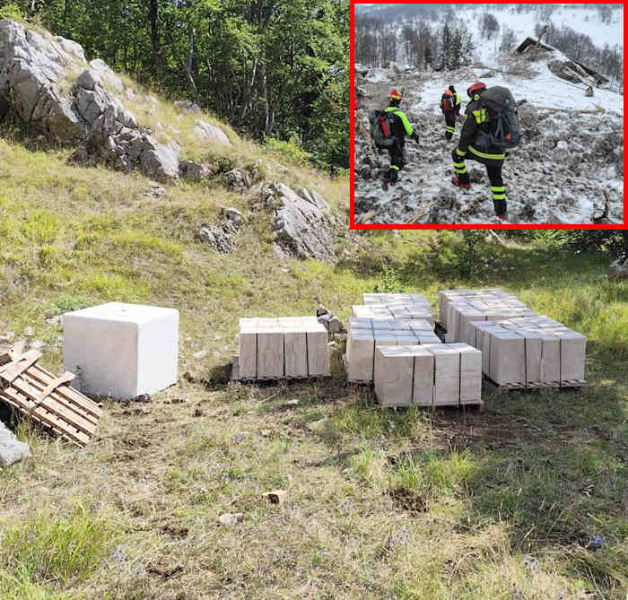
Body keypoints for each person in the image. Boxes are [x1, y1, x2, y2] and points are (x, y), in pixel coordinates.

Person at [451, 82, 509, 221]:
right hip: (497, 153)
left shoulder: (474, 107)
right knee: (496, 180)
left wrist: (460, 151)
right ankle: (501, 212)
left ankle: (463, 181)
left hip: (478, 151)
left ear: (472, 93)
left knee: (455, 155)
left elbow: (467, 133)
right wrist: (505, 151)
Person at [381, 89, 419, 190]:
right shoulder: (400, 114)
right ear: (398, 101)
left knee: (394, 159)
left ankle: (395, 179)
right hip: (398, 142)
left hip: (387, 142)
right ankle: (387, 178)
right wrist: (415, 137)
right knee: (398, 162)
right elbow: (409, 130)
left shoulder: (383, 113)